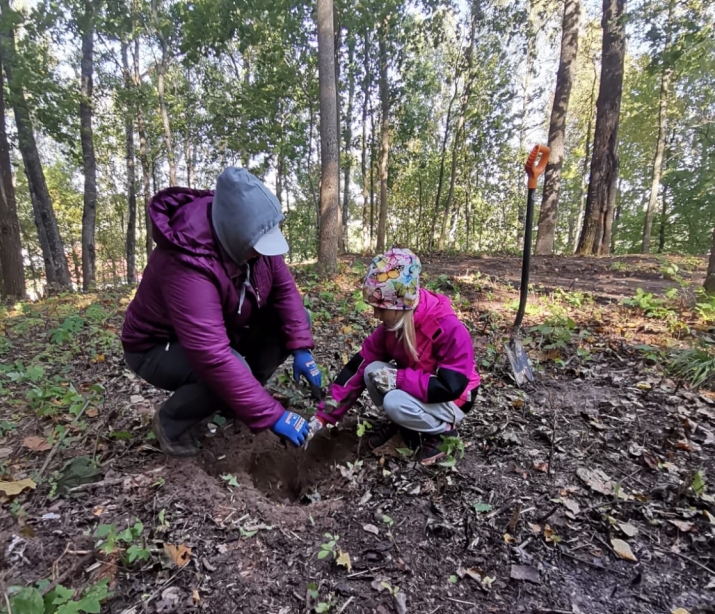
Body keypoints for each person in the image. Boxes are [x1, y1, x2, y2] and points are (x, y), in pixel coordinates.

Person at [121, 167, 322, 456]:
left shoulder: (252, 236)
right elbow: (211, 355)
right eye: (257, 247)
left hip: (225, 326)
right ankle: (171, 423)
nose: (263, 252)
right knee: (227, 369)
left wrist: (301, 347)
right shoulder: (186, 262)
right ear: (235, 237)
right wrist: (274, 415)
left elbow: (284, 291)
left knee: (297, 319)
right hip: (157, 346)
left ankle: (237, 401)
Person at [312, 248, 480, 465]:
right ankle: (406, 424)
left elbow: (452, 386)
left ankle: (443, 432)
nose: (375, 315)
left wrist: (400, 379)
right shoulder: (391, 329)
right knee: (372, 371)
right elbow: (357, 367)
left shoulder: (447, 328)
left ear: (400, 304)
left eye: (381, 308)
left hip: (455, 397)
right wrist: (324, 416)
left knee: (393, 401)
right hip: (421, 385)